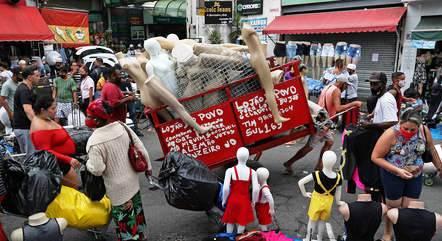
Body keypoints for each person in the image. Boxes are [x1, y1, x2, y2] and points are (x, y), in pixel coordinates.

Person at [371, 110, 442, 241]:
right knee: (393, 205)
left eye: (412, 130)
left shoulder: (423, 131)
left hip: (415, 175)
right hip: (392, 174)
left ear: (419, 126)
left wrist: (440, 167)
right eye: (405, 129)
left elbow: (432, 149)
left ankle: (402, 233)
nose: (409, 132)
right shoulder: (390, 134)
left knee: (409, 207)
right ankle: (388, 232)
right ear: (400, 123)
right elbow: (375, 157)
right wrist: (397, 171)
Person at [86, 99, 151, 241]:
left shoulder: (94, 142)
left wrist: (88, 164)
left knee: (126, 222)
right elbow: (140, 148)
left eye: (89, 116)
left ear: (97, 120)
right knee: (137, 212)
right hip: (132, 181)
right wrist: (149, 168)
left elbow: (97, 170)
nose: (87, 119)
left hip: (117, 189)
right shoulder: (122, 126)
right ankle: (141, 236)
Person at [283, 77, 362, 173]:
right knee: (310, 146)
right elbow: (338, 108)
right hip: (322, 123)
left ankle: (319, 166)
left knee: (329, 142)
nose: (346, 88)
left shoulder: (328, 87)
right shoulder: (336, 91)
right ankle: (289, 163)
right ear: (343, 84)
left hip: (321, 120)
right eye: (346, 86)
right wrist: (354, 103)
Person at [30, 96, 81, 189]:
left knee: (73, 190)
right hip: (59, 164)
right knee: (74, 190)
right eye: (53, 108)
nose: (56, 110)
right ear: (42, 110)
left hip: (65, 161)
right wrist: (68, 159)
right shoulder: (39, 126)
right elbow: (45, 151)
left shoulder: (46, 118)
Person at [13, 66, 39, 155]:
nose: (39, 78)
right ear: (29, 77)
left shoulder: (29, 89)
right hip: (24, 128)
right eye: (37, 76)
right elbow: (28, 110)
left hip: (25, 128)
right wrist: (39, 125)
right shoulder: (24, 90)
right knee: (30, 157)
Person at [0, 67, 20, 134]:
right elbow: (2, 100)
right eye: (20, 75)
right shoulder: (7, 85)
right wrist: (10, 113)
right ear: (15, 75)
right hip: (12, 112)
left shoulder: (19, 83)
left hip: (20, 112)